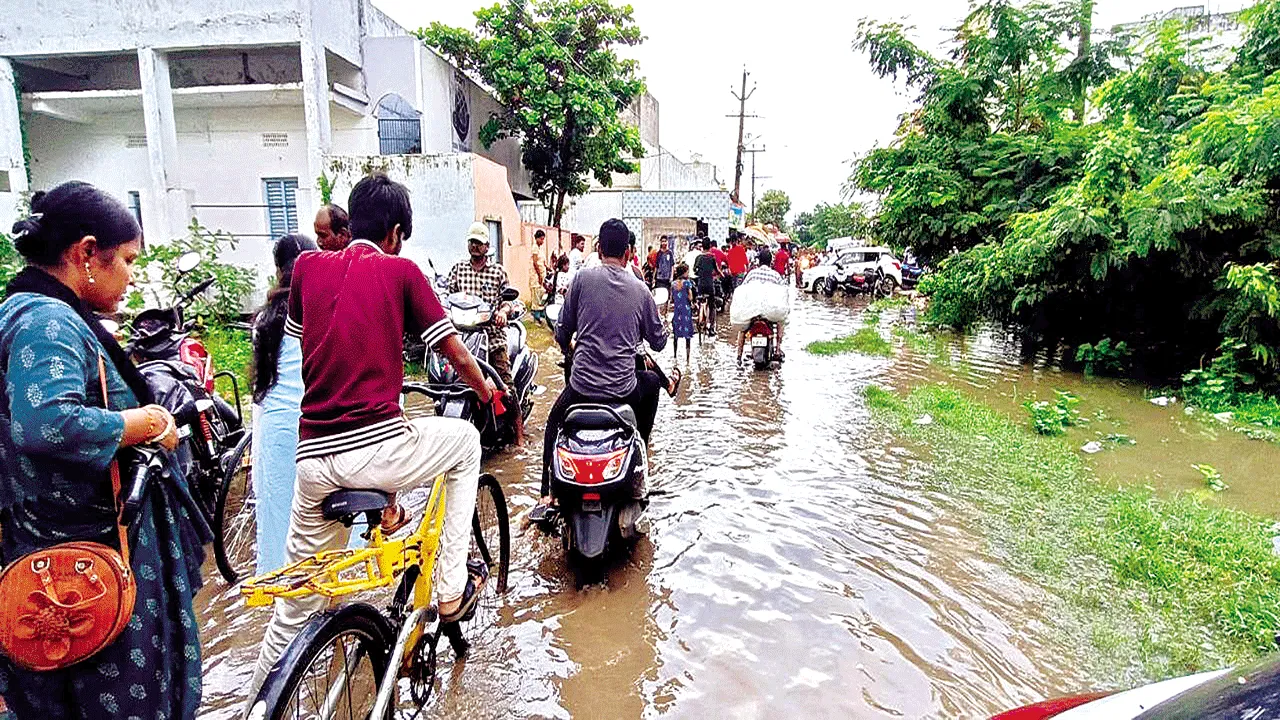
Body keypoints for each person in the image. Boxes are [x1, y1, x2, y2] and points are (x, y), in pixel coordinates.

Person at [248, 173, 497, 699]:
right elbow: (454, 351)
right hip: (373, 449)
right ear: (396, 233)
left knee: (294, 604)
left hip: (312, 461)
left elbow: (308, 343)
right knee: (464, 443)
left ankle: (255, 704)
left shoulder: (307, 269)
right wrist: (488, 392)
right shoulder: (402, 271)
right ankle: (451, 590)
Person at [0, 182, 208, 719]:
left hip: (69, 550)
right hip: (81, 566)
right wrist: (145, 422)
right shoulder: (46, 321)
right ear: (87, 254)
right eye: (128, 260)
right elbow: (45, 422)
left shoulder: (38, 313)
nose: (132, 276)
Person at [532, 219, 675, 517]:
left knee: (553, 422)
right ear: (628, 253)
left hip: (581, 389)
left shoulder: (581, 280)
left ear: (599, 250)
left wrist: (570, 346)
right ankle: (640, 451)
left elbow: (562, 331)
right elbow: (659, 343)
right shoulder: (641, 290)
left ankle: (546, 494)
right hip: (623, 391)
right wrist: (661, 321)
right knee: (651, 382)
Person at [249, 233, 319, 574]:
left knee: (278, 514)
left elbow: (261, 387)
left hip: (277, 428)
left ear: (278, 270)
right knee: (322, 519)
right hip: (316, 423)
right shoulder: (320, 311)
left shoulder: (264, 319)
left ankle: (279, 586)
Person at [447, 221, 525, 447]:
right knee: (445, 382)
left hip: (492, 338)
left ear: (487, 246)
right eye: (472, 242)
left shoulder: (497, 272)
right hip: (463, 338)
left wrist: (503, 311)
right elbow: (446, 295)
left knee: (506, 385)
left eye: (479, 243)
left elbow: (509, 302)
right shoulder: (458, 270)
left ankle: (519, 436)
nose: (475, 246)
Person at [735, 248, 790, 363]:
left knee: (743, 328)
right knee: (780, 321)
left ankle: (739, 355)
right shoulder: (775, 275)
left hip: (753, 312)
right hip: (770, 313)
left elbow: (743, 289)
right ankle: (778, 350)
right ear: (771, 262)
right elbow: (783, 293)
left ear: (759, 261)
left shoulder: (752, 274)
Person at [692, 238, 719, 330]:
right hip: (709, 285)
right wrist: (720, 275)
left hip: (700, 285)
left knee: (699, 300)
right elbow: (717, 270)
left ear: (702, 246)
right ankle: (712, 327)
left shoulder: (698, 258)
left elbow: (694, 269)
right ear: (710, 246)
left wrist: (699, 273)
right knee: (712, 305)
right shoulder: (712, 257)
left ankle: (699, 315)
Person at [671, 263, 695, 363]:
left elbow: (672, 298)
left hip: (677, 311)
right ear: (684, 272)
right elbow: (690, 297)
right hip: (686, 311)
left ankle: (675, 356)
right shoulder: (687, 283)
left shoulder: (673, 284)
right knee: (687, 336)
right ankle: (687, 359)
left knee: (676, 335)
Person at [530, 229, 548, 320]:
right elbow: (535, 262)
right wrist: (539, 275)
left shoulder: (540, 248)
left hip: (542, 273)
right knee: (536, 293)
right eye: (541, 239)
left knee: (541, 293)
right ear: (537, 238)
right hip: (536, 274)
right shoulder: (535, 248)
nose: (542, 241)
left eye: (543, 239)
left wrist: (547, 268)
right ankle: (536, 313)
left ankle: (541, 312)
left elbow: (542, 262)